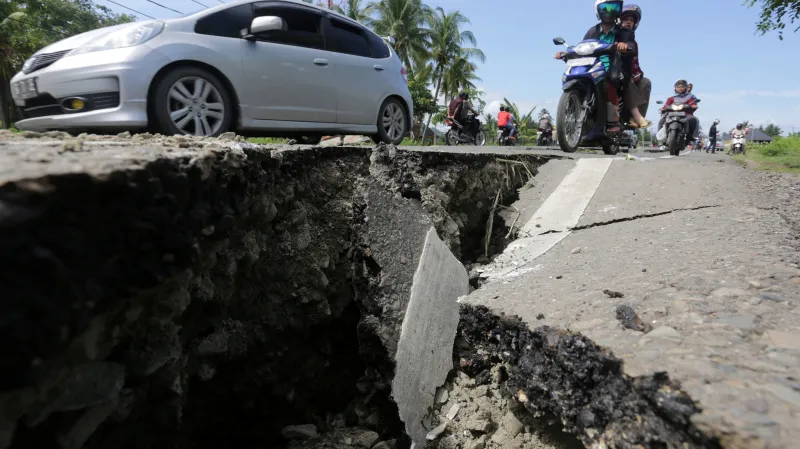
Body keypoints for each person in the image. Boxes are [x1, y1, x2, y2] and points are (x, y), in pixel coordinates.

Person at [555, 0, 634, 133]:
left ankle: (612, 120)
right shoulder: (592, 31)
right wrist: (566, 53)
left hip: (612, 64)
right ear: (598, 11)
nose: (609, 11)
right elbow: (583, 46)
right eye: (605, 8)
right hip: (592, 63)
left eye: (613, 8)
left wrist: (625, 46)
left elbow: (631, 46)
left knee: (610, 83)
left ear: (618, 10)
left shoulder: (624, 32)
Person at [618, 4, 652, 129]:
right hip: (612, 70)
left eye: (631, 21)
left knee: (646, 82)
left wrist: (638, 74)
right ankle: (637, 115)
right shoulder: (614, 33)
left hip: (629, 72)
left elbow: (634, 62)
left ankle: (633, 119)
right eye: (626, 19)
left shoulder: (632, 40)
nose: (628, 22)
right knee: (626, 79)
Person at [659, 79, 699, 145]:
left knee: (693, 120)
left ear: (685, 88)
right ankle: (661, 138)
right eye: (679, 87)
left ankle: (690, 136)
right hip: (672, 114)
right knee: (661, 121)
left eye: (682, 87)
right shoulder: (671, 98)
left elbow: (693, 104)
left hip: (686, 114)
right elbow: (666, 105)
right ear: (675, 88)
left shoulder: (689, 97)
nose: (680, 88)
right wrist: (663, 108)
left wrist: (693, 106)